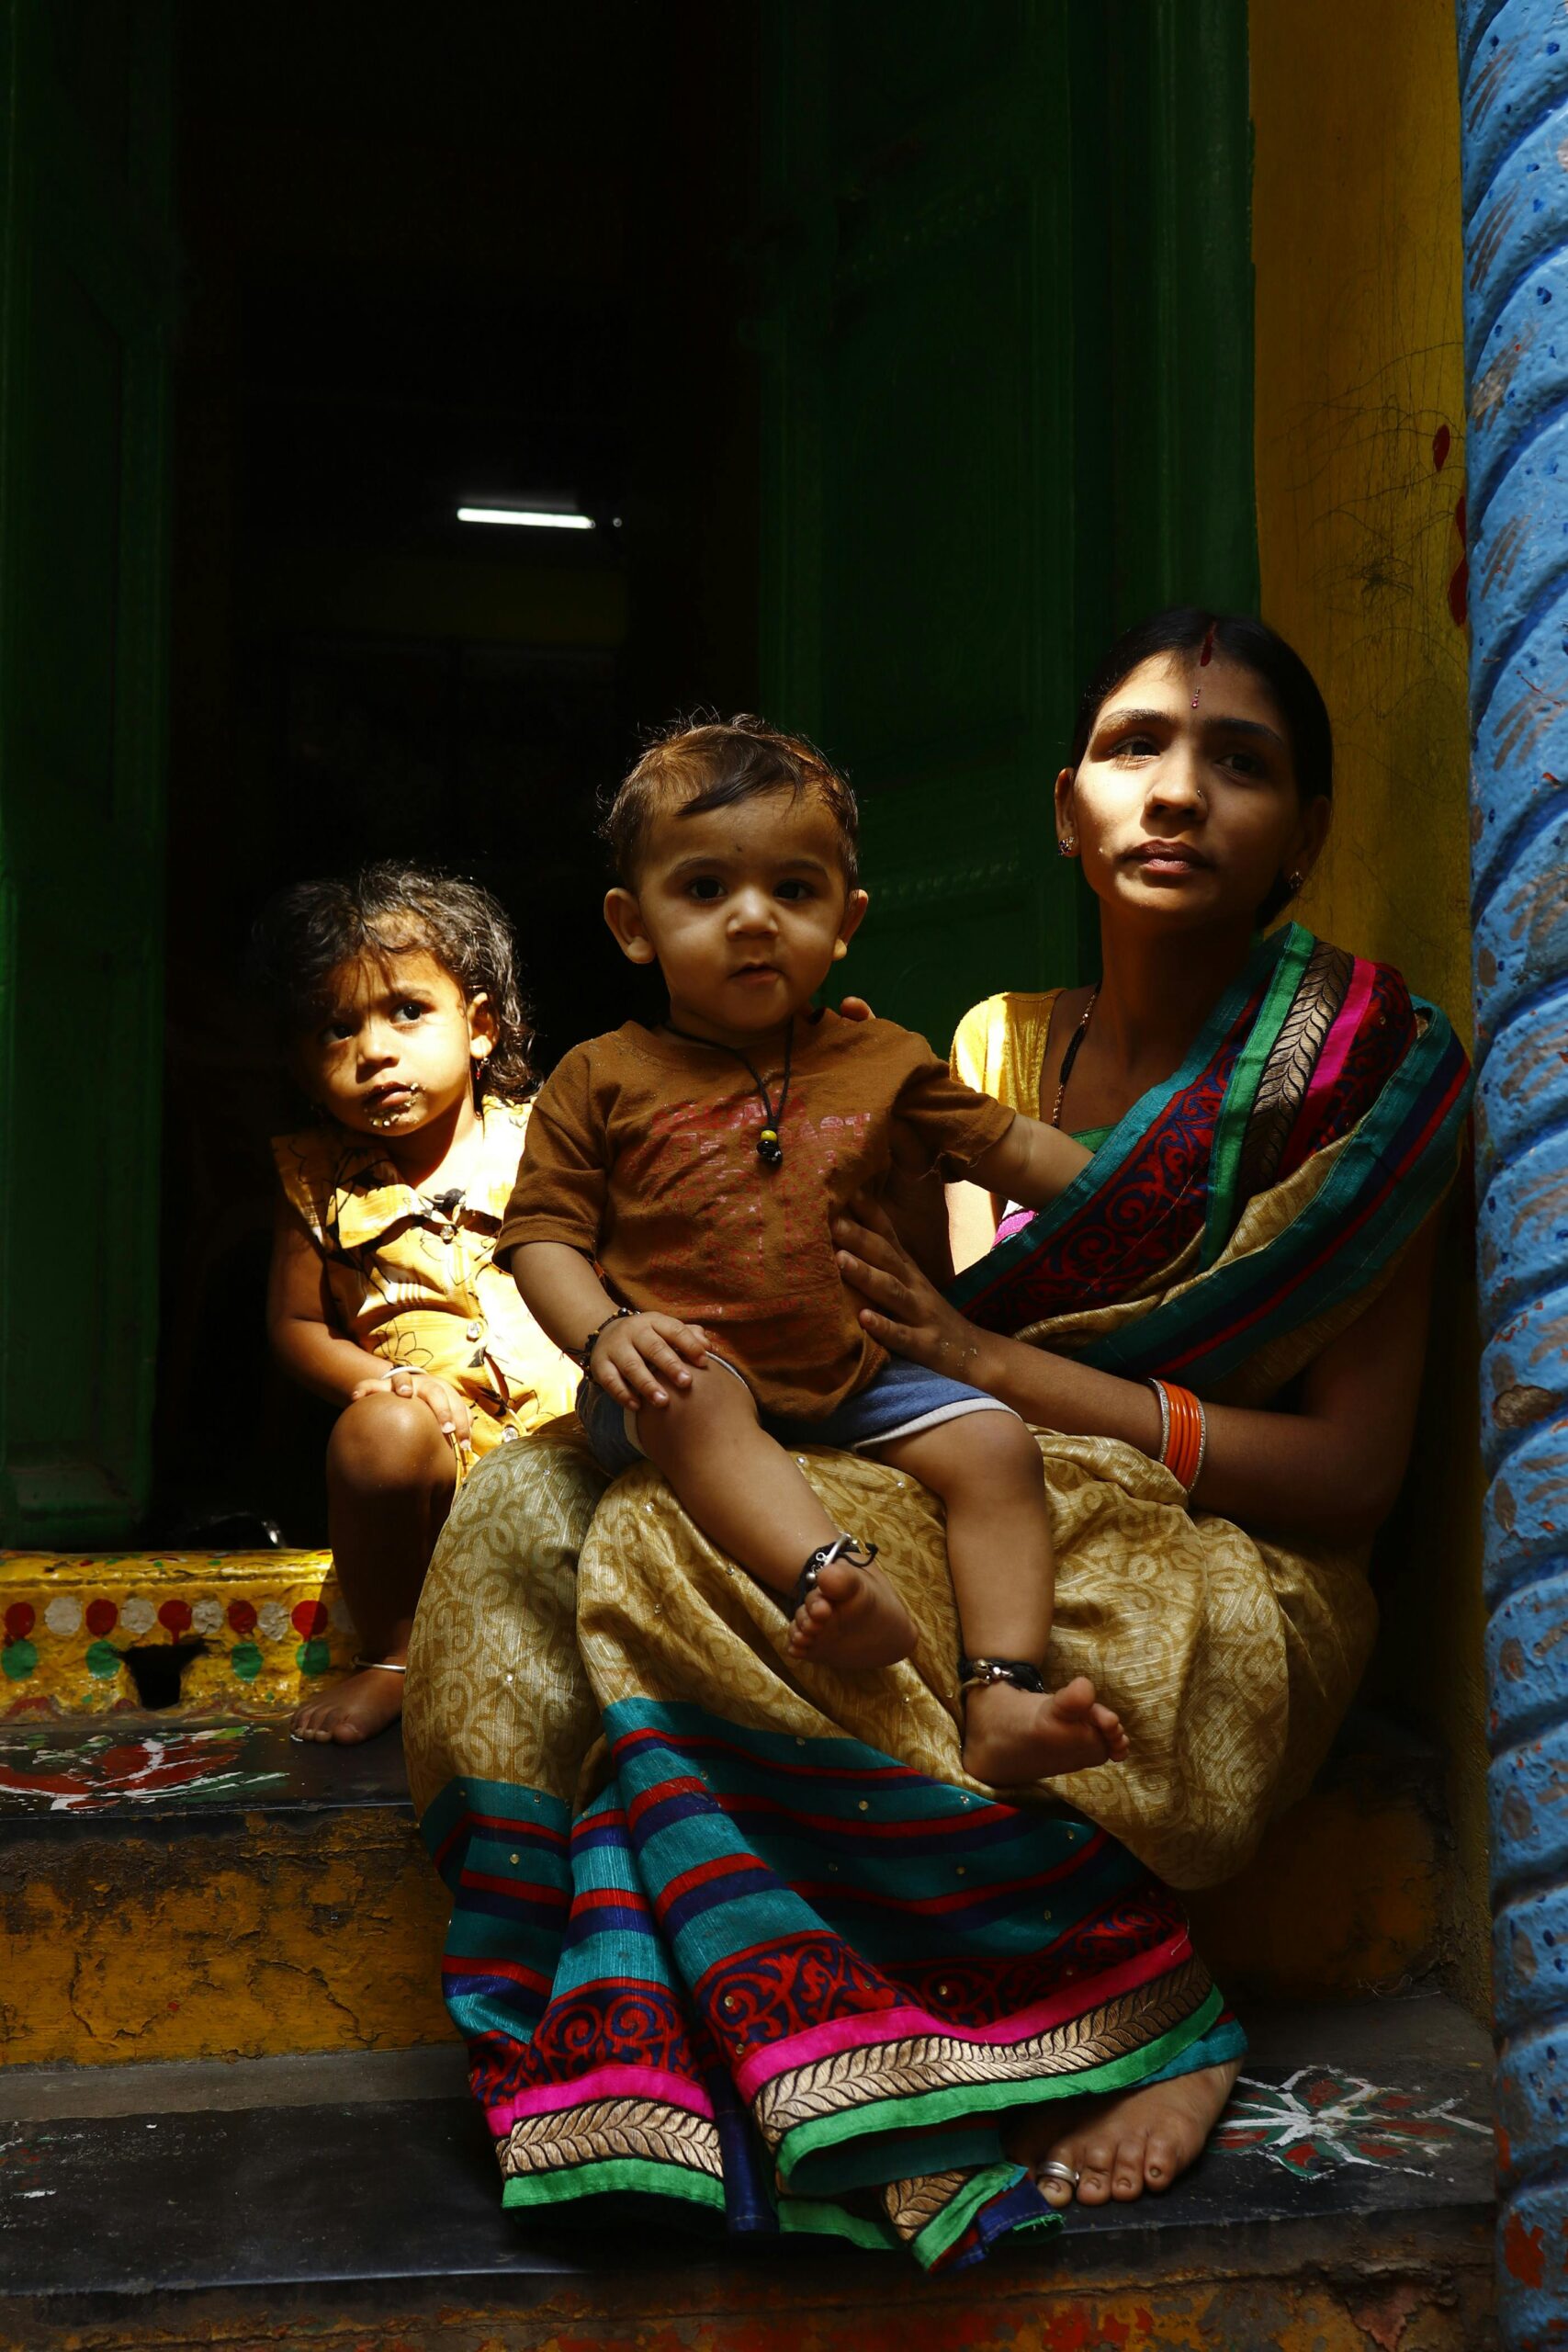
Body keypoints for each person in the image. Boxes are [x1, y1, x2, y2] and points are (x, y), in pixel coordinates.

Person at [403, 611, 1470, 2265]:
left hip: (1201, 1575)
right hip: (943, 1486)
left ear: (1306, 834)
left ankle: (1122, 2008)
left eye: (1236, 762)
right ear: (1065, 806)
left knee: (680, 1552)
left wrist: (990, 1368)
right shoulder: (985, 1048)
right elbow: (840, 1342)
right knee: (539, 1517)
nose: (1176, 795)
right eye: (1134, 749)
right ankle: (709, 2025)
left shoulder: (1352, 1088)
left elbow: (1342, 1479)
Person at [505, 718, 1125, 1784]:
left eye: (794, 891)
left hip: (856, 1371)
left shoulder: (884, 1056)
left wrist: (1156, 1185)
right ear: (633, 923)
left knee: (995, 1451)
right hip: (682, 1378)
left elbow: (1013, 1147)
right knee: (693, 1392)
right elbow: (543, 1238)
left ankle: (1007, 1698)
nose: (753, 921)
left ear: (846, 920)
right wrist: (608, 1330)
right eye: (705, 890)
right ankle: (830, 1578)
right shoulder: (597, 1077)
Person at [253, 861, 577, 1746]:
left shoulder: (554, 1133)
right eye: (334, 1029)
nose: (374, 1051)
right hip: (438, 1450)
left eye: (406, 1011)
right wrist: (380, 1379)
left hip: (573, 1436)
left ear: (479, 1027)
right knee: (376, 1432)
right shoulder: (315, 1178)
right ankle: (394, 1657)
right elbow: (295, 1325)